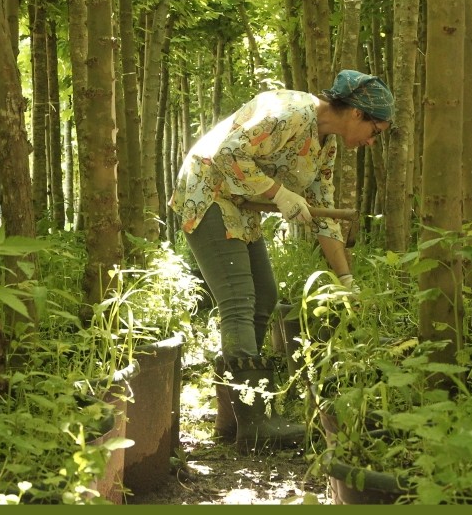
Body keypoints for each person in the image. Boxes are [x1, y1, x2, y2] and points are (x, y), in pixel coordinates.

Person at [168, 69, 394, 454]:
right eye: (377, 130)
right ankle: (255, 424)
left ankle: (234, 418)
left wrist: (346, 279)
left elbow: (323, 213)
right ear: (356, 113)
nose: (373, 141)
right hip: (206, 195)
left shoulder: (327, 145)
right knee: (239, 301)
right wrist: (281, 194)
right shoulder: (288, 111)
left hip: (239, 206)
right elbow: (227, 152)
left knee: (266, 297)